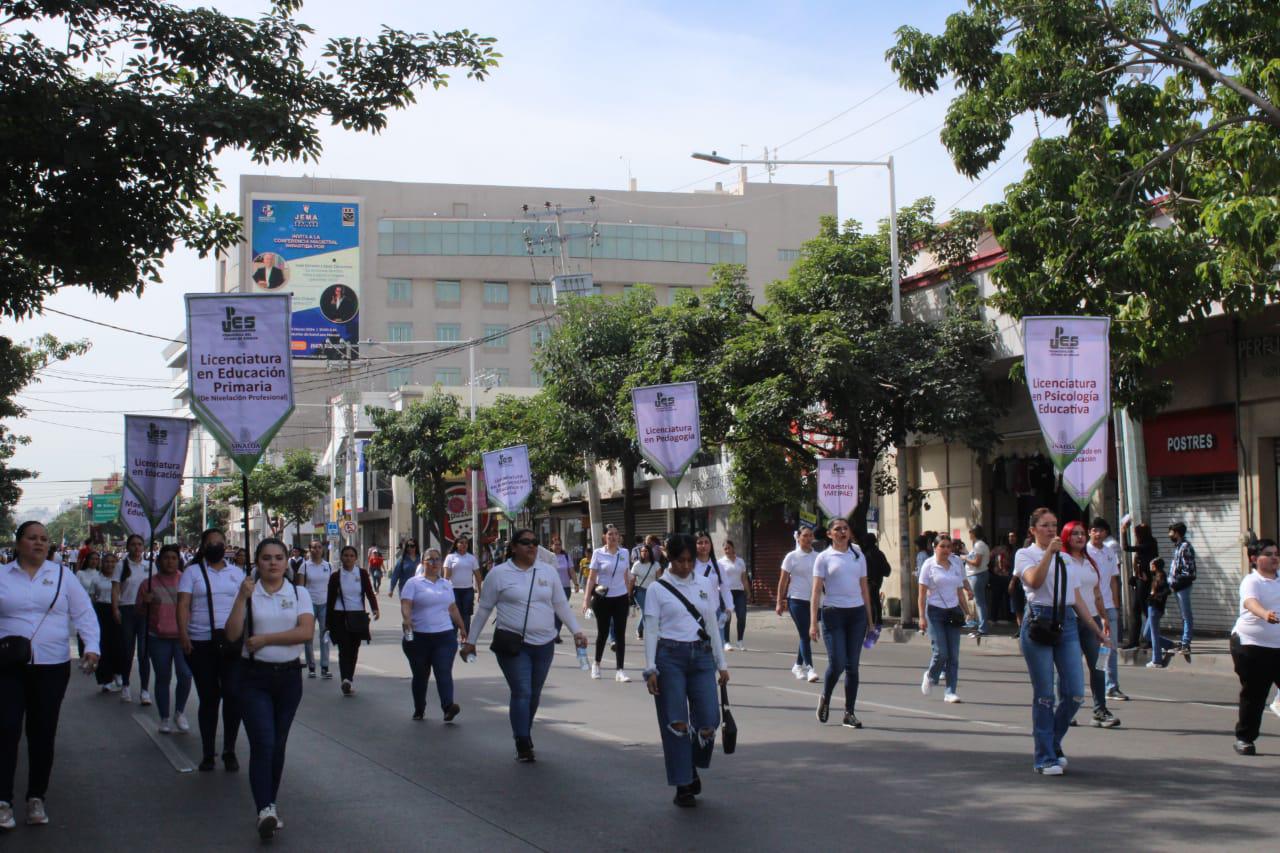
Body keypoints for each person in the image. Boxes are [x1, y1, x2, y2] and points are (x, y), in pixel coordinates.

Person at [0, 521, 100, 830]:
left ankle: (36, 797)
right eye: (32, 538)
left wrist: (92, 647)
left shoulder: (62, 576)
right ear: (18, 544)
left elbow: (83, 612)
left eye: (44, 539)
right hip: (7, 667)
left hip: (51, 666)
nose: (39, 543)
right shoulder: (2, 576)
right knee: (6, 729)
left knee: (42, 733)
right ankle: (3, 801)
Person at [463, 529, 587, 761]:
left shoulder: (547, 572)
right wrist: (470, 641)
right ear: (513, 547)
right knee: (522, 691)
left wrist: (577, 631)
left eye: (535, 542)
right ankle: (522, 740)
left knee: (534, 693)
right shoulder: (498, 574)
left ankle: (524, 729)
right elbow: (484, 610)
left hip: (544, 644)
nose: (532, 547)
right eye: (526, 542)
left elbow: (560, 605)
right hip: (513, 644)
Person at [224, 538, 314, 840]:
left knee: (278, 744)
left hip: (289, 678)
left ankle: (271, 802)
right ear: (257, 562)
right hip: (254, 677)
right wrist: (240, 599)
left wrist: (265, 639)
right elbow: (233, 633)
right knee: (263, 741)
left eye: (278, 557)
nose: (272, 563)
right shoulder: (249, 592)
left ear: (287, 561)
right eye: (266, 558)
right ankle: (264, 809)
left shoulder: (299, 593)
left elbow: (305, 632)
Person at [1014, 508, 1110, 775]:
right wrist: (1048, 554)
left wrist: (1095, 627)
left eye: (1054, 525)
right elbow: (1034, 581)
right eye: (1045, 526)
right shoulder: (1026, 555)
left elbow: (1076, 597)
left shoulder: (1066, 559)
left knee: (1075, 692)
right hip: (1039, 623)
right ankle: (1044, 757)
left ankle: (1053, 742)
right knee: (1045, 695)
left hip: (1066, 622)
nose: (1051, 530)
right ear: (1033, 530)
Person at [642, 533, 730, 808]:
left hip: (701, 657)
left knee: (709, 720)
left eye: (690, 561)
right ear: (669, 556)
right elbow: (651, 630)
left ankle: (691, 763)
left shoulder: (704, 583)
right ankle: (683, 783)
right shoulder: (657, 589)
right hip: (669, 658)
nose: (685, 566)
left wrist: (721, 664)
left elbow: (713, 626)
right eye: (680, 560)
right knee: (677, 724)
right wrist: (650, 668)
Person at [177, 528, 246, 772]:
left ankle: (229, 748)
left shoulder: (236, 574)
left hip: (231, 642)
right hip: (201, 641)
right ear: (203, 546)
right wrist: (183, 633)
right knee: (208, 697)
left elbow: (247, 603)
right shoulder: (192, 572)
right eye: (211, 543)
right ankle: (208, 751)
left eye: (220, 542)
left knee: (233, 694)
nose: (216, 546)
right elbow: (183, 604)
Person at [810, 517, 874, 728]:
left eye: (845, 528)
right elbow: (816, 591)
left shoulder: (857, 555)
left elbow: (864, 588)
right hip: (833, 614)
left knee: (852, 667)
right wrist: (813, 622)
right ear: (830, 534)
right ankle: (826, 697)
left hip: (856, 615)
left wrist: (870, 621)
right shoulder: (824, 558)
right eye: (837, 529)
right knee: (837, 663)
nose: (842, 532)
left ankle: (849, 713)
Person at [1059, 521, 1120, 729]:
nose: (1079, 537)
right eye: (1074, 534)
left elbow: (1096, 593)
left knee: (1098, 666)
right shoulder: (1062, 560)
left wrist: (1104, 618)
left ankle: (1100, 710)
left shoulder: (1089, 560)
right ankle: (1065, 710)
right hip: (1070, 619)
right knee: (1069, 667)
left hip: (1092, 620)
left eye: (1082, 534)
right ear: (1066, 536)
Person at [1228, 538, 1280, 756]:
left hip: (1277, 646)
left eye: (1276, 553)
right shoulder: (1252, 581)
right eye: (1268, 554)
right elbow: (1250, 602)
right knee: (1255, 693)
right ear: (1254, 559)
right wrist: (1264, 614)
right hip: (1251, 646)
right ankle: (1245, 739)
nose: (1274, 557)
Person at [400, 552, 466, 721]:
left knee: (443, 671)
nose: (435, 562)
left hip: (444, 636)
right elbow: (406, 604)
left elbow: (452, 608)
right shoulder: (413, 583)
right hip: (418, 637)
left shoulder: (446, 584)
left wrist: (462, 627)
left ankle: (448, 707)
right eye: (431, 559)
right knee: (421, 675)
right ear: (423, 562)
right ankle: (419, 708)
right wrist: (407, 619)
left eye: (438, 559)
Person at [137, 544, 191, 734]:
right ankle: (164, 718)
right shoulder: (148, 584)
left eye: (174, 558)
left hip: (182, 637)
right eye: (166, 558)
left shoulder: (186, 581)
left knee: (185, 675)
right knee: (163, 678)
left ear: (179, 561)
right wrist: (145, 602)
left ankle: (179, 711)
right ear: (159, 561)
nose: (170, 561)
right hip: (158, 638)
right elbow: (140, 612)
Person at [918, 534, 971, 704]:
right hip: (935, 612)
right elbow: (921, 594)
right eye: (943, 546)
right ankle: (931, 675)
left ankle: (950, 691)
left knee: (953, 655)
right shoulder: (929, 565)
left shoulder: (956, 562)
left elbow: (959, 588)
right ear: (935, 547)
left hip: (953, 612)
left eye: (949, 546)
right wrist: (921, 617)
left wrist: (966, 610)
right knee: (941, 652)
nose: (946, 550)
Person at [326, 545, 379, 697]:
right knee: (344, 648)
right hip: (340, 615)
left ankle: (349, 678)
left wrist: (375, 608)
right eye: (346, 555)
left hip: (357, 615)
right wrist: (327, 622)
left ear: (355, 558)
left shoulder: (361, 573)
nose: (348, 558)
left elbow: (369, 591)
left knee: (354, 648)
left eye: (351, 556)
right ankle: (345, 679)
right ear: (341, 558)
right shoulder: (336, 576)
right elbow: (329, 600)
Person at [582, 525, 634, 682]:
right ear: (605, 536)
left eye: (616, 534)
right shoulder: (598, 553)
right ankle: (596, 664)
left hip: (620, 598)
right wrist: (586, 600)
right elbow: (591, 578)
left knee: (620, 635)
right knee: (603, 633)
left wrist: (629, 597)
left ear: (619, 537)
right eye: (610, 534)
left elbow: (626, 575)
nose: (613, 537)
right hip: (602, 598)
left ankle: (620, 670)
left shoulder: (624, 552)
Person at [1087, 519, 1129, 702]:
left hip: (1108, 607)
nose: (1098, 534)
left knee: (1109, 648)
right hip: (1088, 609)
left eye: (1101, 531)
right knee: (1085, 650)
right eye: (1094, 530)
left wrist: (1115, 605)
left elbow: (1113, 580)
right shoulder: (1084, 552)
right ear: (1090, 532)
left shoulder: (1110, 551)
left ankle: (1111, 686)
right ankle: (1070, 688)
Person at [111, 534, 151, 705]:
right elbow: (115, 589)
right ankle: (126, 685)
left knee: (143, 653)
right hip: (127, 609)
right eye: (133, 544)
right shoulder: (121, 565)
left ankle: (144, 690)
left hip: (145, 612)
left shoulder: (150, 567)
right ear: (128, 547)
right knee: (128, 650)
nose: (136, 547)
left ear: (144, 547)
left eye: (139, 544)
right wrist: (115, 609)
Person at [777, 527, 820, 682]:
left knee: (806, 636)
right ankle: (810, 668)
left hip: (814, 602)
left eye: (810, 536)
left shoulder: (818, 557)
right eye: (805, 536)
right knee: (805, 634)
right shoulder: (792, 557)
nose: (808, 538)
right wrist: (779, 601)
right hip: (796, 599)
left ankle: (797, 665)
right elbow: (783, 581)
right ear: (798, 538)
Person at [80, 551, 120, 694]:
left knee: (118, 645)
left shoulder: (122, 578)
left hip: (117, 611)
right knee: (103, 645)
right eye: (107, 561)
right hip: (101, 612)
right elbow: (92, 597)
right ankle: (106, 680)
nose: (110, 564)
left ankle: (118, 673)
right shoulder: (97, 579)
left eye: (113, 562)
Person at [1121, 520, 1159, 649]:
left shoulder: (1150, 544)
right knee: (1136, 610)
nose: (1136, 536)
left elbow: (1126, 548)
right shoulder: (1145, 543)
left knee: (1146, 610)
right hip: (1140, 579)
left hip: (1146, 581)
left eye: (1137, 533)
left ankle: (1150, 640)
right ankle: (1134, 640)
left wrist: (1123, 532)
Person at [298, 540, 333, 679]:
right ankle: (311, 666)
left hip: (325, 603)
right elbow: (300, 588)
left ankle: (325, 666)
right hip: (309, 604)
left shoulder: (328, 566)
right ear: (310, 550)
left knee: (325, 636)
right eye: (314, 547)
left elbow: (332, 586)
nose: (317, 550)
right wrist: (301, 606)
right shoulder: (305, 567)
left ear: (322, 550)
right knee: (308, 636)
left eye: (319, 547)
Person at [1168, 522, 1197, 659]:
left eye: (1171, 532)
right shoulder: (1179, 547)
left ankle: (1186, 643)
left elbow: (1189, 570)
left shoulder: (1185, 547)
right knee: (1184, 616)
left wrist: (1177, 582)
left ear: (1177, 533)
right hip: (1177, 586)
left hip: (1182, 587)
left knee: (1187, 615)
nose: (1169, 535)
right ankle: (1184, 641)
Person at [443, 536, 482, 638]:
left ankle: (465, 637)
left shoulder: (471, 558)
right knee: (455, 615)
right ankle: (452, 637)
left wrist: (480, 592)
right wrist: (443, 591)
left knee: (466, 615)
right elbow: (446, 577)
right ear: (456, 544)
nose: (464, 545)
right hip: (454, 590)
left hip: (468, 590)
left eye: (466, 543)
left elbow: (478, 576)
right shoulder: (450, 557)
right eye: (461, 543)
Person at [1145, 560, 1177, 668]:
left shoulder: (1161, 576)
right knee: (1147, 633)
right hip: (1152, 607)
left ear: (1156, 566)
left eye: (1152, 564)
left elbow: (1167, 591)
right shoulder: (1157, 575)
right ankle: (1169, 644)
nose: (1150, 566)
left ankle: (1156, 660)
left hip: (1155, 607)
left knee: (1153, 634)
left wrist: (1156, 596)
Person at [720, 540, 749, 651]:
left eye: (728, 548)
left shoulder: (740, 561)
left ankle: (740, 641)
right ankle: (726, 642)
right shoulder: (720, 562)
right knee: (727, 617)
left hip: (739, 592)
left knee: (742, 616)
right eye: (725, 549)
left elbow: (744, 578)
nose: (727, 550)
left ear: (733, 548)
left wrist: (748, 591)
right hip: (726, 592)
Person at [630, 541, 661, 642]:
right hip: (640, 591)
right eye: (642, 551)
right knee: (646, 610)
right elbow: (632, 580)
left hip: (652, 591)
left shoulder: (656, 564)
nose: (644, 553)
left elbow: (660, 579)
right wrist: (629, 594)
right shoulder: (637, 564)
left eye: (646, 551)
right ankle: (645, 631)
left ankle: (640, 629)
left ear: (650, 553)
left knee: (649, 612)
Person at [964, 526, 991, 638]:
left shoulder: (979, 545)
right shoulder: (977, 544)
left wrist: (964, 558)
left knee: (980, 602)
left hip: (978, 575)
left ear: (974, 533)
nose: (969, 534)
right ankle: (981, 626)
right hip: (975, 575)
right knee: (979, 602)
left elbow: (977, 562)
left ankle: (983, 628)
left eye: (970, 532)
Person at [551, 537, 577, 642]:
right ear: (551, 546)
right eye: (555, 544)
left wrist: (576, 583)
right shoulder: (548, 557)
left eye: (559, 545)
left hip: (565, 588)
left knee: (561, 611)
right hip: (551, 588)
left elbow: (571, 570)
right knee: (553, 611)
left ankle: (556, 633)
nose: (557, 547)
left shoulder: (566, 556)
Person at [862, 532, 891, 629]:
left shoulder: (867, 554)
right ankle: (877, 619)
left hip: (870, 580)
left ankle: (875, 620)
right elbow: (886, 568)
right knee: (875, 600)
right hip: (877, 580)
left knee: (871, 601)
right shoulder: (879, 553)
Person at [989, 533, 1012, 625]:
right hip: (1006, 576)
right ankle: (1008, 618)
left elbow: (989, 559)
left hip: (997, 575)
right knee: (1007, 598)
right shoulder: (1008, 550)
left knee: (995, 598)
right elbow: (1010, 562)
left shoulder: (995, 550)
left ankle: (993, 618)